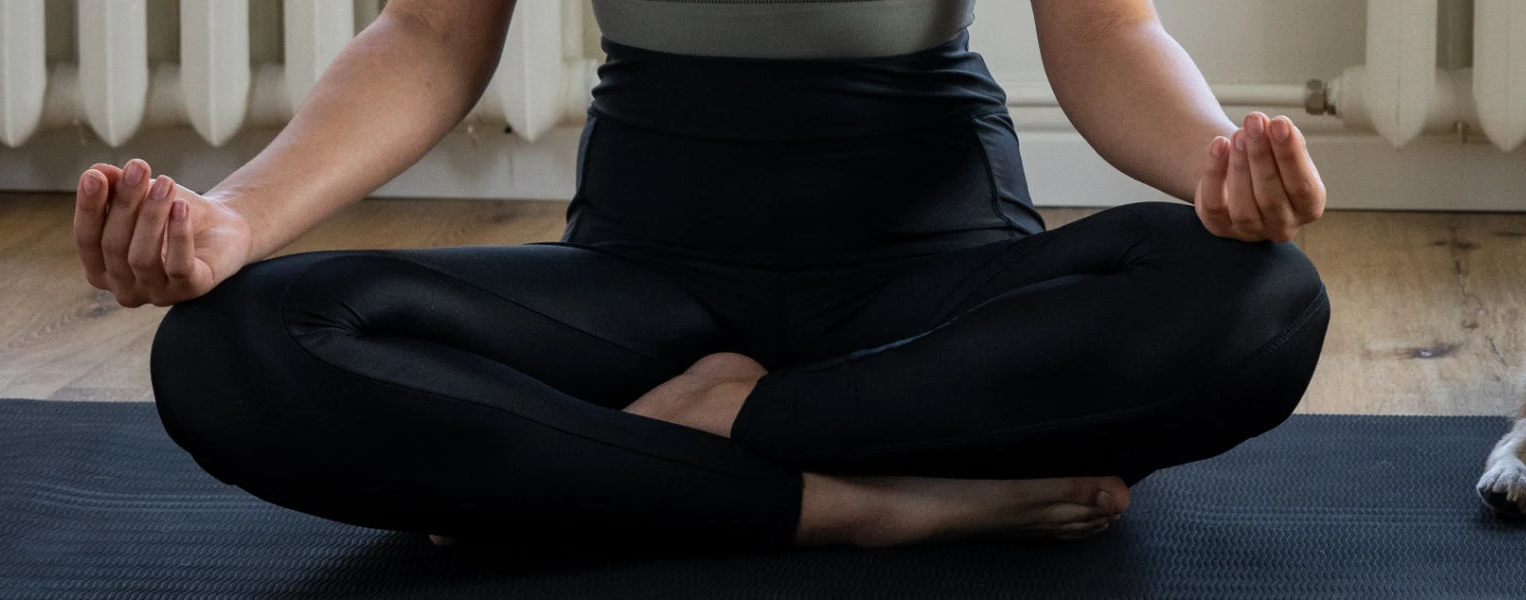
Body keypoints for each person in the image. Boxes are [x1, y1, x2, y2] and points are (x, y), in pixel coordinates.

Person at [71, 0, 1331, 549]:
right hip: (647, 277)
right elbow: (431, 33)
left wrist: (1216, 165)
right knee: (237, 348)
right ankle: (854, 502)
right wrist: (230, 222)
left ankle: (657, 459)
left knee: (1256, 302)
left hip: (930, 281)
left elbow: (1110, 33)